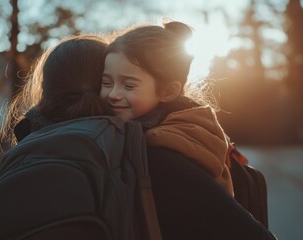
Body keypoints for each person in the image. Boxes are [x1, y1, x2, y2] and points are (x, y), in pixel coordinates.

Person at [101, 21, 277, 239]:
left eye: (129, 85)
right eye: (106, 82)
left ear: (168, 91)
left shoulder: (163, 150)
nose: (113, 94)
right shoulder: (180, 128)